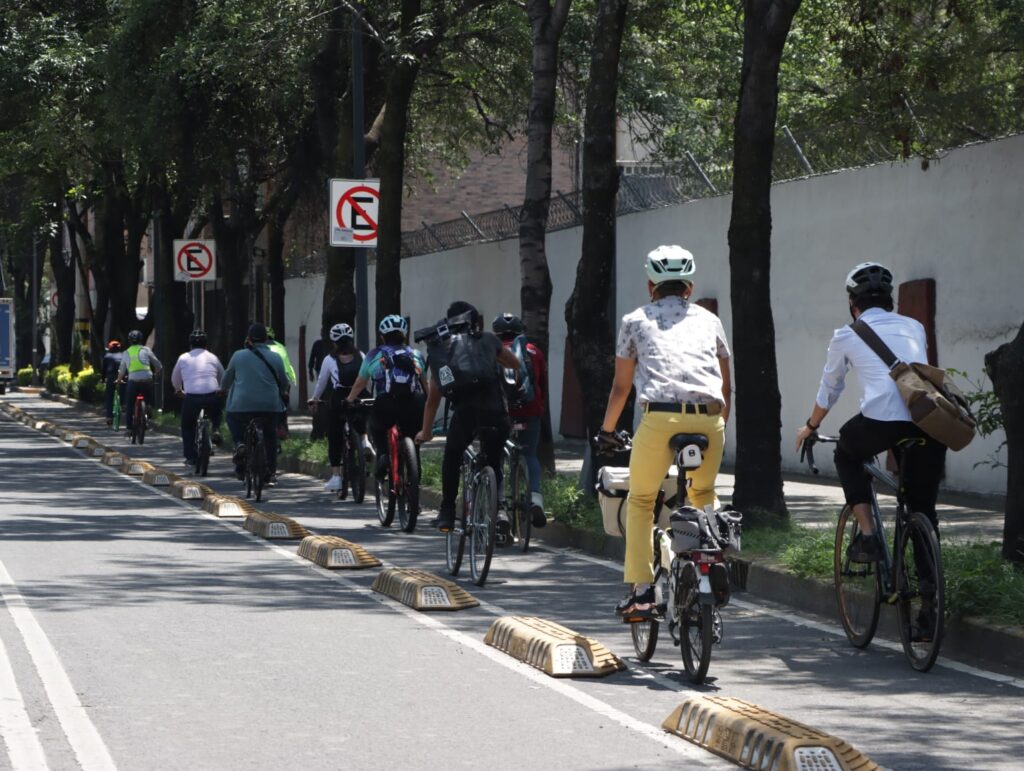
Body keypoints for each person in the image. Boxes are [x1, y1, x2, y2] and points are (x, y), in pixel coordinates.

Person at [597, 246, 732, 619]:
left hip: (660, 420)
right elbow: (725, 386)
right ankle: (712, 557)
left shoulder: (635, 321)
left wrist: (607, 432)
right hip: (709, 420)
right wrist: (718, 426)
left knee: (641, 500)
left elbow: (621, 389)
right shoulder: (709, 320)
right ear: (689, 287)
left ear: (650, 285)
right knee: (702, 491)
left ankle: (641, 594)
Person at [794, 262, 947, 566]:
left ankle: (868, 535)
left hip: (881, 422)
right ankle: (931, 600)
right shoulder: (914, 326)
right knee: (922, 507)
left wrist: (811, 425)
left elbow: (830, 389)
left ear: (852, 302)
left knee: (846, 454)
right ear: (890, 300)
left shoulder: (846, 335)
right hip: (929, 421)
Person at [414, 301, 522, 535]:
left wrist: (426, 431)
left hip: (465, 414)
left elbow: (433, 400)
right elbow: (515, 363)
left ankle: (447, 513)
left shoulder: (441, 351)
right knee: (493, 461)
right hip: (496, 411)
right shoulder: (489, 340)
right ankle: (500, 510)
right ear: (474, 322)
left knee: (452, 456)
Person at [345, 315, 427, 487]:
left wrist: (350, 399)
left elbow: (360, 383)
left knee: (375, 426)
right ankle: (414, 493)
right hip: (414, 403)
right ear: (405, 335)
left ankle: (383, 455)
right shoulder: (416, 354)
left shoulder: (374, 354)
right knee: (414, 449)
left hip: (386, 403)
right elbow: (424, 384)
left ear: (382, 336)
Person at [492, 313, 548, 529]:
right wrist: (538, 410)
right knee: (530, 454)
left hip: (501, 413)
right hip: (529, 410)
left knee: (496, 458)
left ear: (496, 333)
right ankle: (535, 499)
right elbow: (541, 384)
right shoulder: (534, 351)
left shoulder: (491, 350)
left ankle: (502, 510)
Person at [222, 323, 288, 482]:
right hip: (270, 406)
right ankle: (271, 472)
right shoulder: (276, 357)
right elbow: (284, 382)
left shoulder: (238, 355)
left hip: (241, 406)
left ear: (249, 339)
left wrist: (223, 389)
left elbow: (226, 380)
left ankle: (239, 443)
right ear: (266, 340)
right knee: (270, 435)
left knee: (231, 417)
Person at [310, 323, 371, 496]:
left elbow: (322, 381)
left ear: (334, 342)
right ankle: (365, 440)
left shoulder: (329, 359)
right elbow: (368, 377)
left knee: (335, 433)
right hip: (360, 393)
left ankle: (336, 475)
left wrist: (315, 400)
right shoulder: (361, 355)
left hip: (340, 397)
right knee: (362, 416)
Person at [171, 330, 225, 470]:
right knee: (217, 412)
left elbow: (175, 378)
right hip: (212, 395)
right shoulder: (213, 357)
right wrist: (220, 388)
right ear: (206, 344)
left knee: (188, 426)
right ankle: (216, 428)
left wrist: (178, 390)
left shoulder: (183, 358)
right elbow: (222, 375)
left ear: (190, 344)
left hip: (192, 397)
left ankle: (190, 457)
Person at [117, 330, 163, 434]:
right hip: (147, 379)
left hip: (133, 380)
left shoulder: (126, 352)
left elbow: (122, 371)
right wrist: (157, 374)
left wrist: (119, 380)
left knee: (129, 405)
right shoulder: (146, 350)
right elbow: (158, 366)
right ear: (141, 339)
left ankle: (129, 428)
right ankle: (148, 408)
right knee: (148, 397)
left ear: (129, 341)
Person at [266, 326, 296, 440]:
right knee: (283, 406)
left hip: (267, 382)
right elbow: (287, 366)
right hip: (283, 381)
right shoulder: (281, 347)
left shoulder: (256, 349)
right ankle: (283, 429)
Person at [308, 327, 330, 440]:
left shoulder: (330, 345)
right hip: (319, 371)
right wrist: (310, 371)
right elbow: (312, 358)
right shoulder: (317, 344)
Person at [101, 340, 125, 426]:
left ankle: (109, 417)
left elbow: (103, 370)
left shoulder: (107, 356)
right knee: (124, 391)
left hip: (111, 378)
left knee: (109, 397)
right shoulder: (123, 355)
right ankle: (123, 404)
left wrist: (103, 379)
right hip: (122, 377)